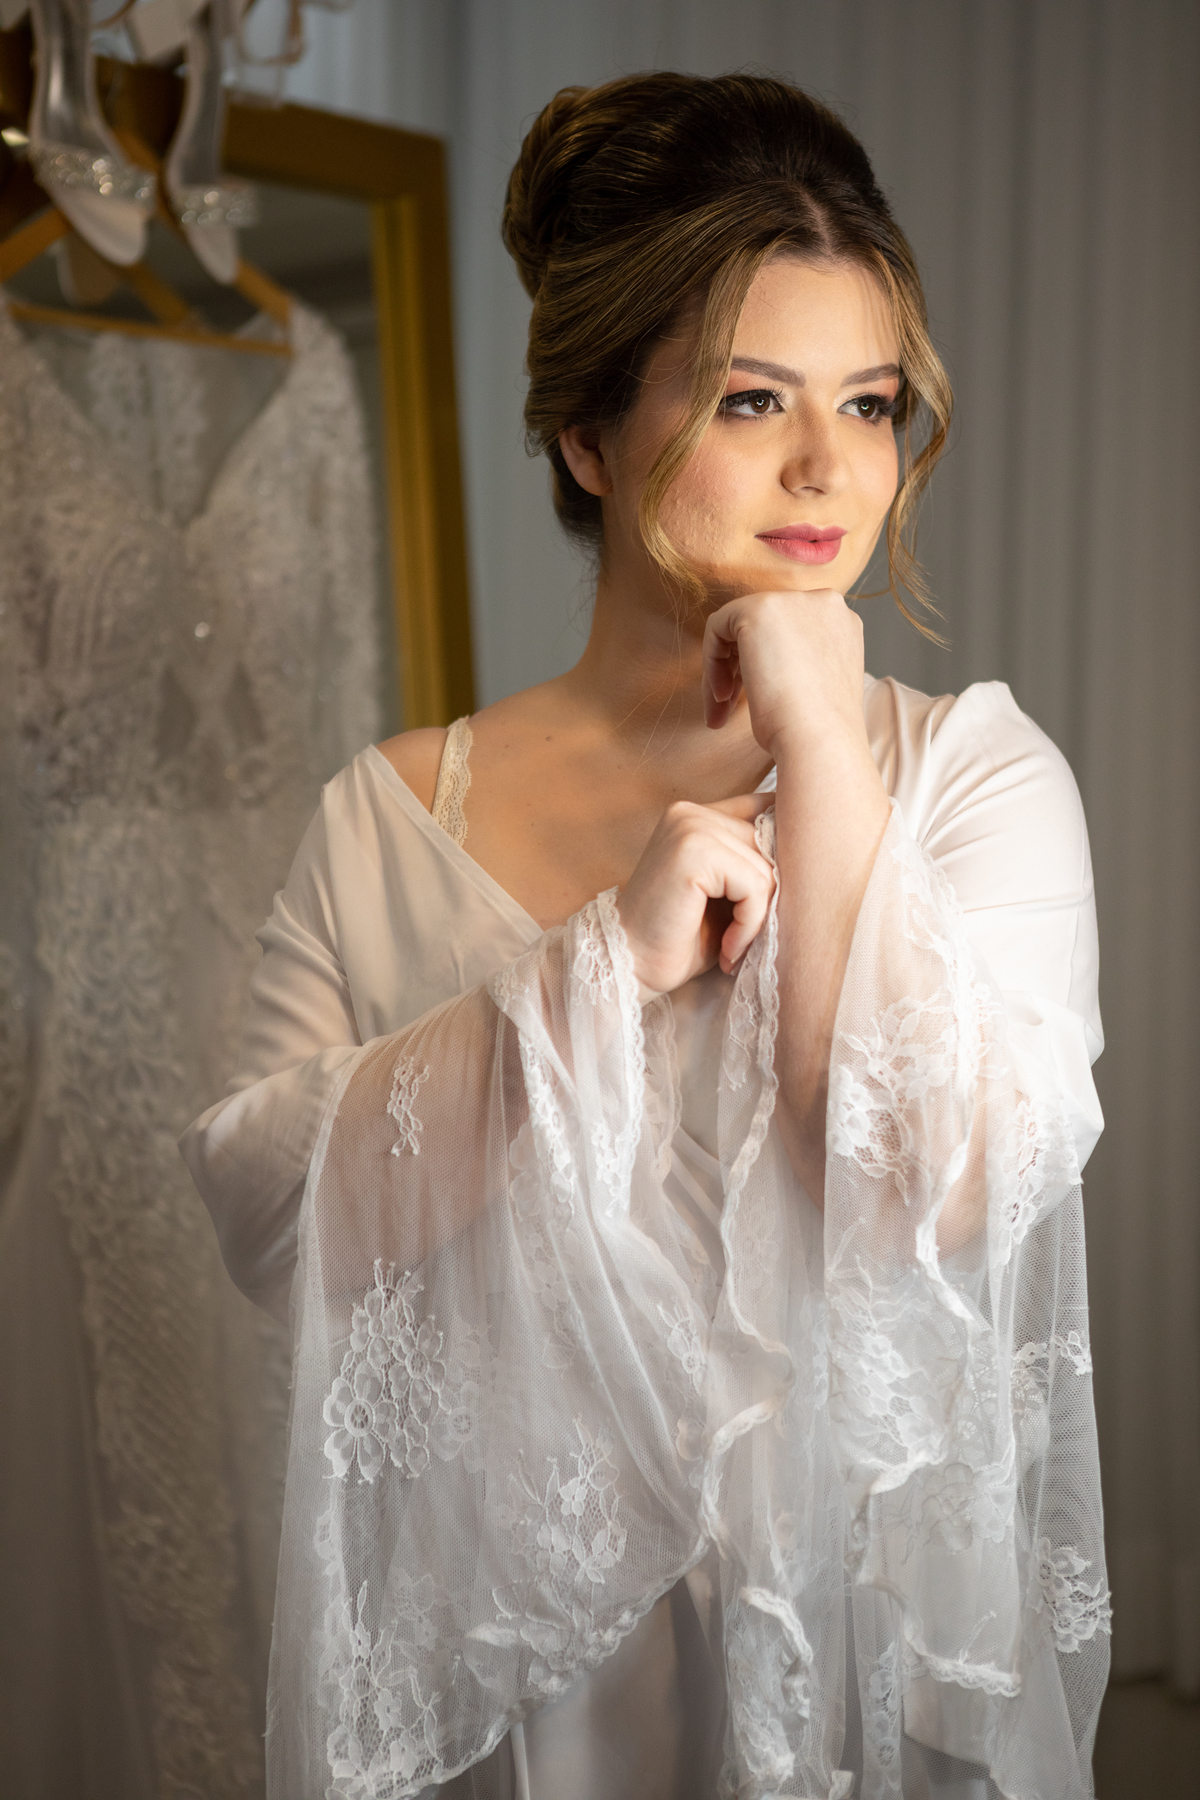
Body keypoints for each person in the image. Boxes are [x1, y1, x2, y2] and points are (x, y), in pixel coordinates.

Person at [182, 72, 1109, 1800]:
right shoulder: (388, 817)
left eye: (871, 404)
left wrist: (820, 736)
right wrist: (591, 974)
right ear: (592, 439)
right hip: (523, 1709)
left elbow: (934, 1190)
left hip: (850, 1682)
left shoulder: (980, 780)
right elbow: (261, 1213)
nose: (832, 468)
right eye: (754, 399)